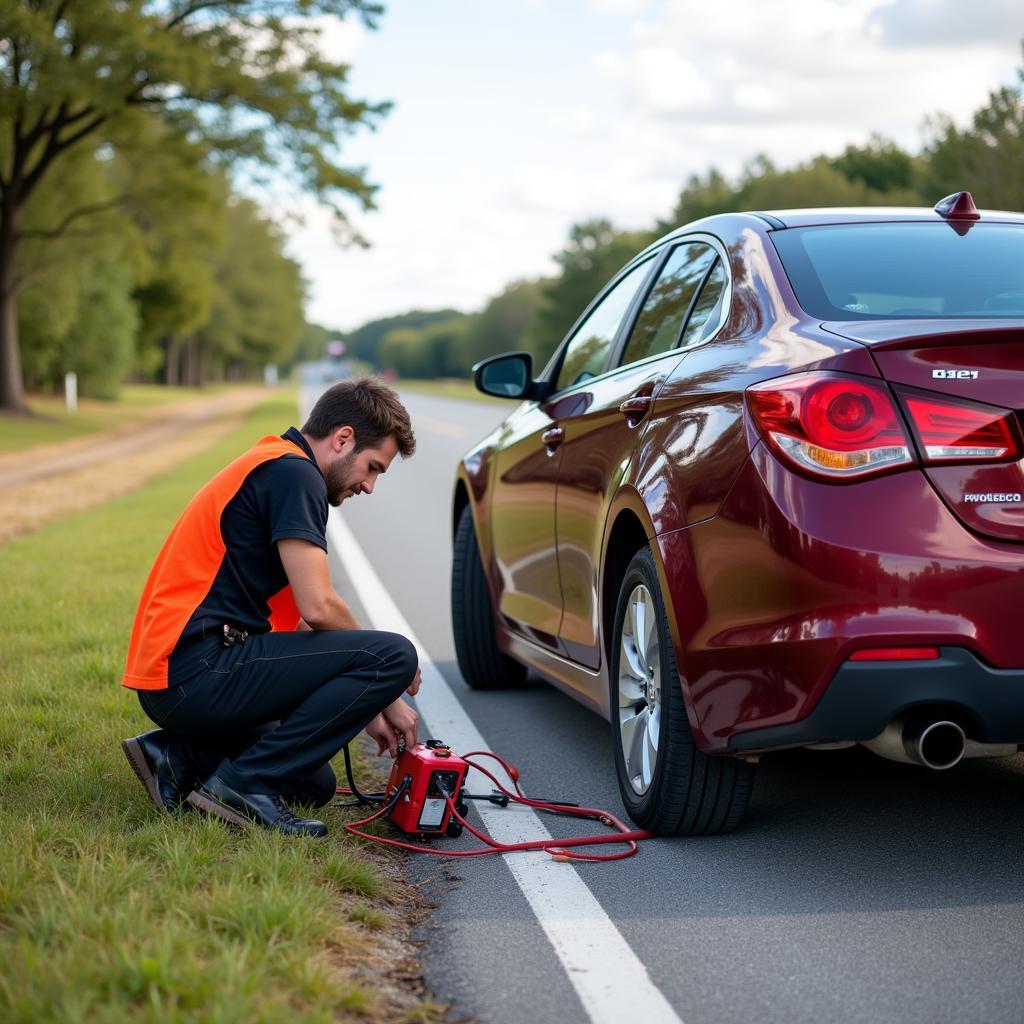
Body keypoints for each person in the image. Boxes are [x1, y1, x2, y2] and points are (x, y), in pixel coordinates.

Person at [120, 377, 421, 838]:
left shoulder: (276, 462)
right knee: (394, 654)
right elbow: (320, 607)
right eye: (372, 466)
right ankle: (243, 785)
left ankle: (176, 759)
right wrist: (390, 682)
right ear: (343, 439)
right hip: (195, 670)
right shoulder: (294, 474)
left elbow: (299, 624)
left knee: (312, 783)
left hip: (184, 673)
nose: (370, 485)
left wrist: (371, 704)